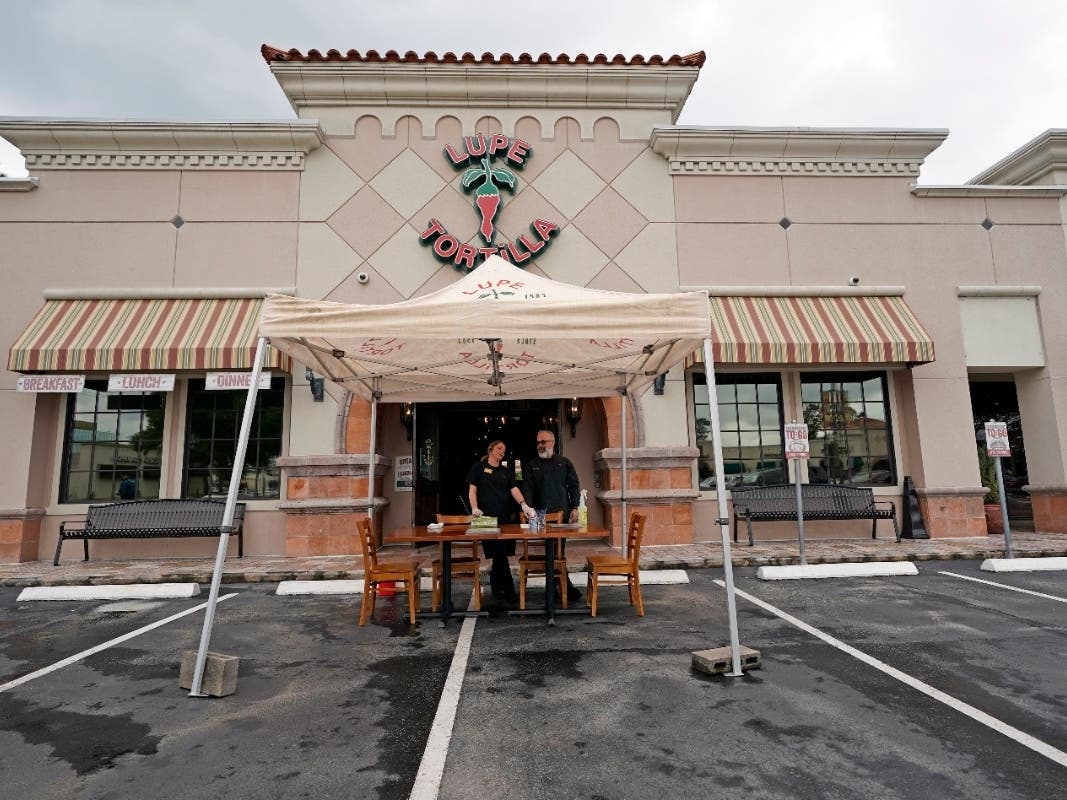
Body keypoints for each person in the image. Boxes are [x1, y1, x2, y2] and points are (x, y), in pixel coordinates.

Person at [467, 440, 535, 603]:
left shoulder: (506, 471)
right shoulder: (479, 467)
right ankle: (509, 590)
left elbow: (514, 489)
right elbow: (472, 490)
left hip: (505, 519)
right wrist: (474, 508)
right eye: (499, 448)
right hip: (486, 519)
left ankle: (497, 589)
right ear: (490, 449)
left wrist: (524, 504)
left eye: (504, 449)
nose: (502, 451)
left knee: (500, 555)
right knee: (500, 554)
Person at [522, 429, 583, 602]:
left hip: (561, 516)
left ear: (553, 442)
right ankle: (561, 586)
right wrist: (528, 510)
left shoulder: (564, 463)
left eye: (544, 442)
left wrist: (575, 507)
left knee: (559, 552)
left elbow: (573, 486)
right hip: (540, 516)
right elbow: (528, 489)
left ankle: (559, 586)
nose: (541, 445)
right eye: (538, 442)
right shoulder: (531, 465)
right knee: (552, 553)